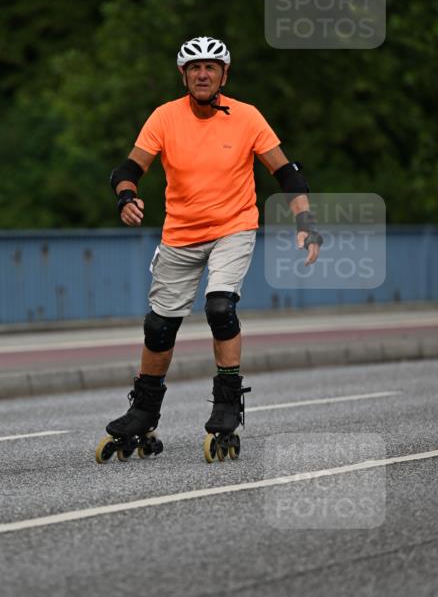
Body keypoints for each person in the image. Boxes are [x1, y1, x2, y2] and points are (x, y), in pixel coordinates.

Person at [101, 35, 323, 460]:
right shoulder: (165, 117)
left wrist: (305, 221)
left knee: (220, 308)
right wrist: (126, 196)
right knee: (159, 326)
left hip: (232, 228)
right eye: (195, 68)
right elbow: (129, 167)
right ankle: (143, 413)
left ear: (224, 75)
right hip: (180, 234)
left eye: (211, 68)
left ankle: (226, 406)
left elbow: (288, 173)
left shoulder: (247, 117)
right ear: (183, 75)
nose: (202, 74)